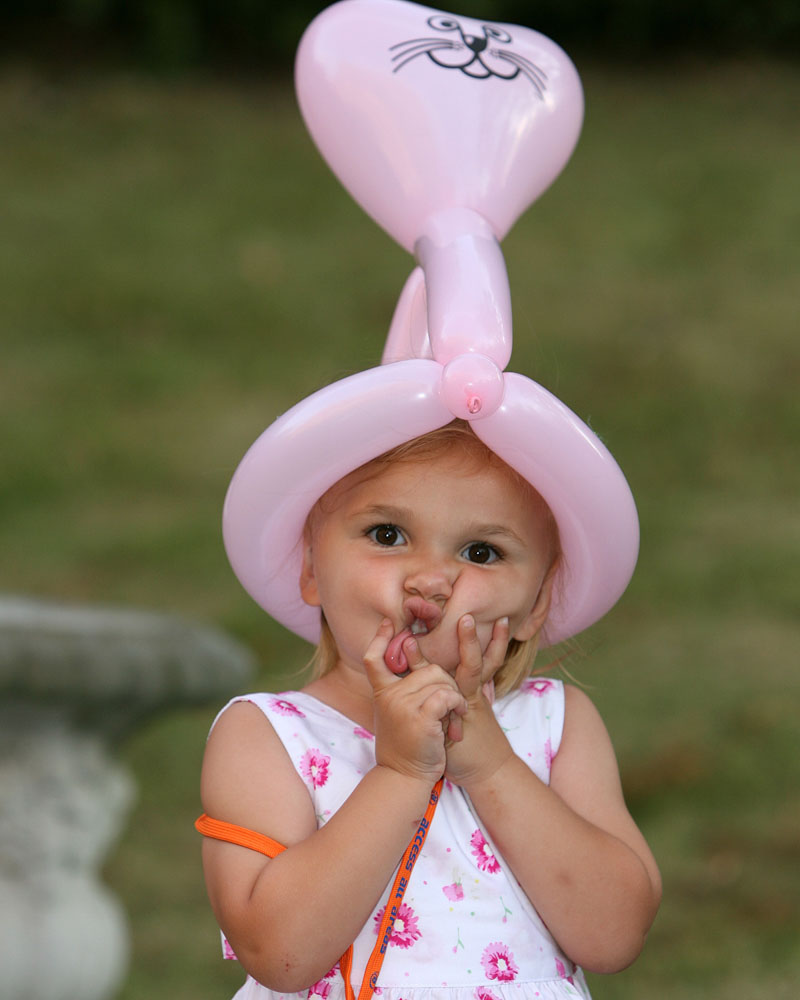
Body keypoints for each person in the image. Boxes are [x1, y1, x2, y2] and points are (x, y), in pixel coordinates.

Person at [197, 420, 661, 1000]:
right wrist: (400, 774)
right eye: (387, 534)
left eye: (481, 551)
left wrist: (492, 766)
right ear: (312, 568)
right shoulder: (269, 736)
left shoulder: (554, 724)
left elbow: (614, 934)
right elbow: (279, 953)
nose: (431, 580)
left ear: (535, 604)